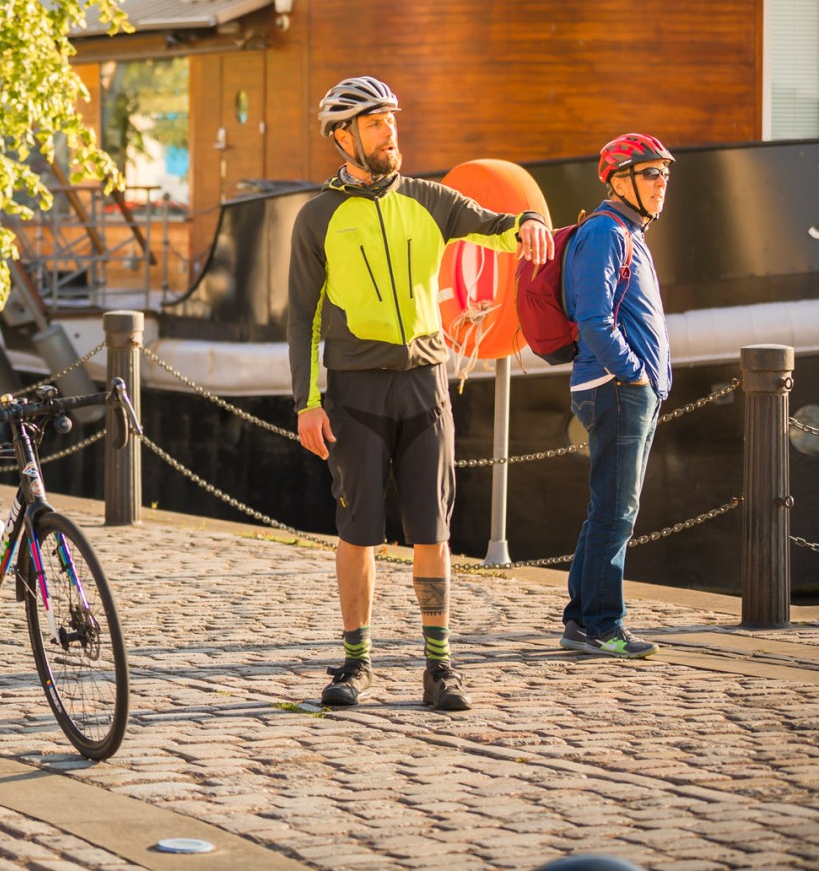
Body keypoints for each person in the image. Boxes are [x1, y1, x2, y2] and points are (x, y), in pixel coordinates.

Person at [288, 77, 553, 711]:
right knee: (358, 531)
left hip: (426, 385)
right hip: (354, 392)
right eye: (376, 123)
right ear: (343, 136)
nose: (390, 133)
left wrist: (531, 222)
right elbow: (303, 317)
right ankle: (357, 663)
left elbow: (495, 225)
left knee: (432, 530)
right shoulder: (317, 217)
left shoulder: (430, 200)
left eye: (391, 121)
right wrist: (307, 402)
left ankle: (440, 668)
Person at [558, 134, 674, 659]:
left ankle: (582, 619)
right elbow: (594, 318)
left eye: (664, 174)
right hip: (616, 390)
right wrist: (634, 375)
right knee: (617, 510)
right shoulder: (606, 232)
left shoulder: (626, 231)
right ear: (618, 179)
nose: (661, 183)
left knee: (608, 506)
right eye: (650, 173)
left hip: (624, 389)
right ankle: (604, 624)